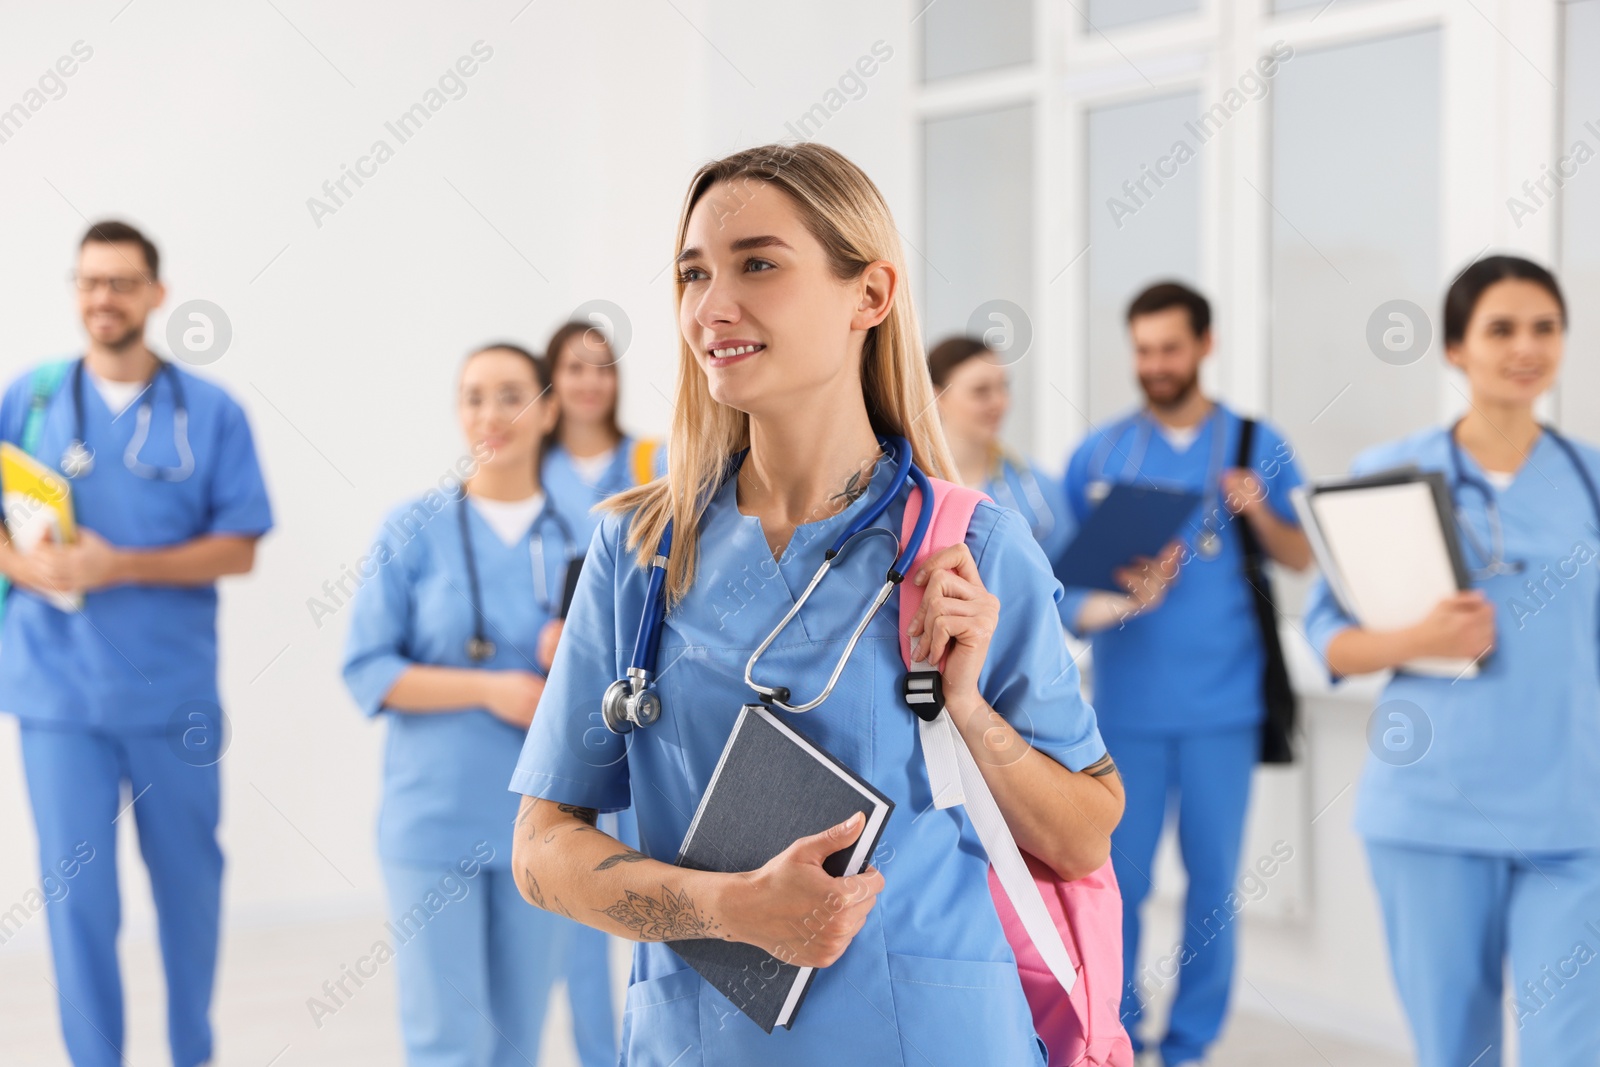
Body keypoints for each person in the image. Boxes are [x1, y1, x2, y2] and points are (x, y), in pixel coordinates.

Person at [506, 142, 1124, 1065]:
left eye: (758, 263)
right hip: (702, 1041)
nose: (713, 307)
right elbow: (540, 852)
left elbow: (1082, 837)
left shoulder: (970, 548)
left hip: (934, 1038)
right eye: (693, 273)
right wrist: (725, 908)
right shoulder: (639, 551)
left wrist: (968, 712)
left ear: (869, 296)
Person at [1305, 256, 1600, 1067]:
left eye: (1544, 327)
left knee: (1569, 1051)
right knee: (1455, 1054)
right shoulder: (1391, 475)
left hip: (1573, 817)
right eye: (1500, 328)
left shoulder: (1590, 479)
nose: (1525, 346)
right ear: (1456, 349)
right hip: (1432, 812)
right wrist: (1419, 642)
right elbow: (1327, 635)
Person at [0, 221, 273, 1067]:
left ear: (156, 294)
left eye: (121, 282)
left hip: (171, 696)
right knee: (80, 903)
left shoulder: (210, 410)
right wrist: (20, 561)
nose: (103, 298)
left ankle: (192, 1051)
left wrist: (119, 563)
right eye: (89, 281)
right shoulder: (30, 398)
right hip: (59, 698)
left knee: (190, 893)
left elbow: (240, 545)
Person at [1058, 281, 1311, 1067]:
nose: (1155, 364)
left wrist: (1260, 510)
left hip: (1221, 710)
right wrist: (1123, 591)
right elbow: (1064, 591)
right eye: (1143, 349)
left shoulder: (1253, 443)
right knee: (1117, 890)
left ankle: (1191, 1045)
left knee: (1211, 892)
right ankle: (1119, 1036)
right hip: (1126, 711)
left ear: (1206, 344)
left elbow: (1303, 558)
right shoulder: (1098, 454)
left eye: (1170, 347)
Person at [342, 343, 616, 1066]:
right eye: (473, 396)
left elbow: (626, 684)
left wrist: (580, 662)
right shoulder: (411, 529)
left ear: (548, 409)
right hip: (434, 818)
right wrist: (490, 688)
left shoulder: (591, 535)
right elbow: (368, 667)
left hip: (545, 820)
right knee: (446, 1039)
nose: (490, 414)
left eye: (510, 394)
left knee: (516, 1039)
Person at [928, 335, 1075, 588]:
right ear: (937, 397)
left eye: (1003, 387)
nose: (1000, 402)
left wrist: (1129, 600)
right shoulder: (909, 484)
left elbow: (1066, 592)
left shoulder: (1036, 486)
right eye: (981, 391)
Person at [540, 320, 666, 546]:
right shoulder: (531, 469)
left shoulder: (655, 460)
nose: (591, 382)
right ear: (550, 380)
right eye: (575, 368)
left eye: (604, 368)